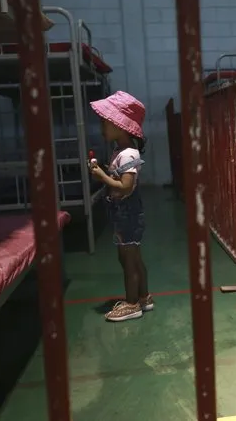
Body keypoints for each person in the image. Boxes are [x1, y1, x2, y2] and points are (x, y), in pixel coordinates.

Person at [88, 91, 153, 321]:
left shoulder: (127, 154)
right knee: (132, 256)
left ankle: (132, 303)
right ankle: (144, 296)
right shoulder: (121, 152)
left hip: (128, 214)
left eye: (105, 122)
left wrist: (102, 177)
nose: (102, 127)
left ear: (120, 125)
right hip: (123, 213)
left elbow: (126, 187)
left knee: (128, 259)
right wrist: (104, 174)